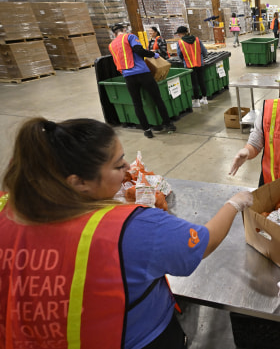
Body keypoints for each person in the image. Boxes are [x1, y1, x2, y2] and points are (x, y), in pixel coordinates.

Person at [0, 117, 253, 349]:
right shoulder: (131, 228)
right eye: (119, 165)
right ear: (78, 182)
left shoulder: (7, 205)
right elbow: (203, 242)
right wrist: (233, 204)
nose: (128, 170)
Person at [108, 24, 176, 139]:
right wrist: (153, 54)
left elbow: (116, 61)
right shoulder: (129, 37)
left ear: (114, 34)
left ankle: (147, 130)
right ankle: (168, 124)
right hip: (143, 73)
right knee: (157, 99)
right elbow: (138, 49)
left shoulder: (111, 45)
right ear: (124, 30)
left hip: (128, 76)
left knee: (137, 103)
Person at [175, 26, 209, 107]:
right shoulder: (197, 39)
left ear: (180, 34)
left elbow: (179, 55)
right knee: (201, 81)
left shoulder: (180, 42)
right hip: (200, 64)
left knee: (194, 84)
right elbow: (204, 51)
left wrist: (183, 61)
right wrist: (201, 58)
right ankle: (205, 99)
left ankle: (196, 101)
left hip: (189, 65)